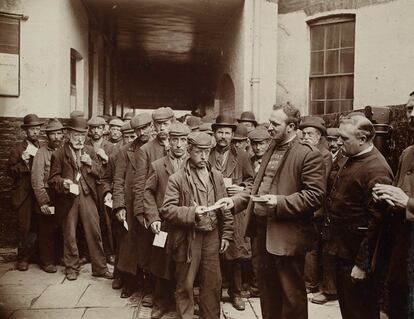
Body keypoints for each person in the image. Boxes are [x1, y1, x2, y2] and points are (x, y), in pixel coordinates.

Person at [218, 103, 326, 319]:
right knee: (268, 294)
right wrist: (236, 201)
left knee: (291, 297)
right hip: (263, 234)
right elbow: (256, 187)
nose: (269, 128)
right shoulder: (272, 148)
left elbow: (315, 196)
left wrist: (278, 202)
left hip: (287, 238)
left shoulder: (307, 154)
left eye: (275, 124)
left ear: (291, 126)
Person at [325, 114, 393, 319]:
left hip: (356, 260)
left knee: (360, 313)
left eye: (344, 138)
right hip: (344, 253)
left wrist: (362, 265)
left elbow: (378, 224)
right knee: (349, 310)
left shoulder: (376, 169)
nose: (338, 142)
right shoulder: (353, 156)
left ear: (363, 139)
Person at [160, 131, 234, 319]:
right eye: (198, 152)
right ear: (189, 151)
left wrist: (226, 234)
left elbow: (225, 206)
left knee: (212, 282)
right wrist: (192, 212)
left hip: (211, 236)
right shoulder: (177, 178)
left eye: (207, 151)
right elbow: (167, 209)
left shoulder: (216, 176)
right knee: (185, 283)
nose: (203, 156)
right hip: (188, 238)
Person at [48, 116, 112, 281]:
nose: (79, 139)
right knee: (69, 233)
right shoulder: (59, 154)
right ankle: (71, 267)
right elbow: (52, 179)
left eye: (82, 135)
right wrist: (64, 183)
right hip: (68, 198)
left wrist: (91, 164)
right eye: (76, 135)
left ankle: (100, 268)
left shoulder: (90, 151)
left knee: (94, 231)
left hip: (87, 195)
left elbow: (101, 174)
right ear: (68, 135)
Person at [372, 91, 414, 318]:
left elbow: (405, 199)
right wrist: (386, 198)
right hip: (401, 254)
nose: (412, 114)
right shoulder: (408, 153)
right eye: (409, 109)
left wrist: (406, 202)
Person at [144, 122, 191, 318]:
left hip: (186, 223)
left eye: (183, 140)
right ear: (168, 143)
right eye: (175, 140)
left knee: (183, 266)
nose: (179, 145)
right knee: (162, 263)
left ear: (188, 143)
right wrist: (153, 216)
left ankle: (182, 304)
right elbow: (147, 192)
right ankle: (160, 303)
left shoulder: (194, 164)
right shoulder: (158, 166)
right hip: (164, 225)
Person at [209, 114, 254, 311]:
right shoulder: (207, 154)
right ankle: (214, 293)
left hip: (234, 211)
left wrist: (241, 187)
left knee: (234, 254)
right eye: (220, 132)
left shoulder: (242, 156)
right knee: (213, 253)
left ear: (232, 135)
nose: (223, 136)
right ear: (214, 133)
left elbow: (252, 182)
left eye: (227, 133)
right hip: (213, 209)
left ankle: (236, 293)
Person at [134, 107, 175, 307]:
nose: (162, 128)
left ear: (172, 122)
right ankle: (152, 291)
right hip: (156, 212)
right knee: (155, 252)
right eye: (158, 124)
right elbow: (140, 184)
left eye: (166, 124)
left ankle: (177, 292)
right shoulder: (146, 150)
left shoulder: (181, 143)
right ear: (153, 126)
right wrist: (144, 213)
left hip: (177, 212)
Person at [111, 113, 153, 298]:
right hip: (130, 202)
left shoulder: (158, 149)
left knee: (150, 244)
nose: (143, 132)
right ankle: (130, 282)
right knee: (129, 243)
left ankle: (150, 286)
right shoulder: (125, 151)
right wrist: (119, 206)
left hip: (151, 203)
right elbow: (118, 180)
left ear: (152, 127)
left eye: (146, 128)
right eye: (138, 129)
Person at [299, 117, 332, 297]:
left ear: (319, 137)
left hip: (314, 208)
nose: (305, 137)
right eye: (303, 133)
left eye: (309, 134)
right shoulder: (308, 151)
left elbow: (320, 183)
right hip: (304, 203)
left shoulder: (323, 154)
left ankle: (310, 283)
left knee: (311, 246)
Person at [8, 114, 44, 271]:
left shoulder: (42, 148)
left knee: (39, 225)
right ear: (26, 131)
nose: (35, 132)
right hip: (24, 195)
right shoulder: (17, 149)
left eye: (37, 129)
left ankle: (35, 255)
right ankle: (22, 258)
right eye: (32, 129)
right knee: (25, 227)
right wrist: (22, 161)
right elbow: (10, 172)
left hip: (39, 193)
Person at [31, 118, 64, 273]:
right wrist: (43, 202)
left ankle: (58, 257)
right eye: (53, 134)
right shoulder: (41, 153)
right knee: (46, 230)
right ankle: (47, 261)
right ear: (48, 136)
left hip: (60, 195)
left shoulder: (63, 151)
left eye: (59, 133)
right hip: (47, 194)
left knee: (59, 228)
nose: (56, 137)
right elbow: (36, 180)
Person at [86, 116, 116, 264]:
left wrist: (107, 158)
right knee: (91, 220)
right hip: (89, 186)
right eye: (93, 128)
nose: (96, 131)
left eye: (99, 128)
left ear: (104, 130)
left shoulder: (110, 147)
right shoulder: (85, 144)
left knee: (107, 220)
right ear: (89, 130)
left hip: (104, 187)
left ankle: (110, 251)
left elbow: (115, 167)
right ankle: (90, 252)